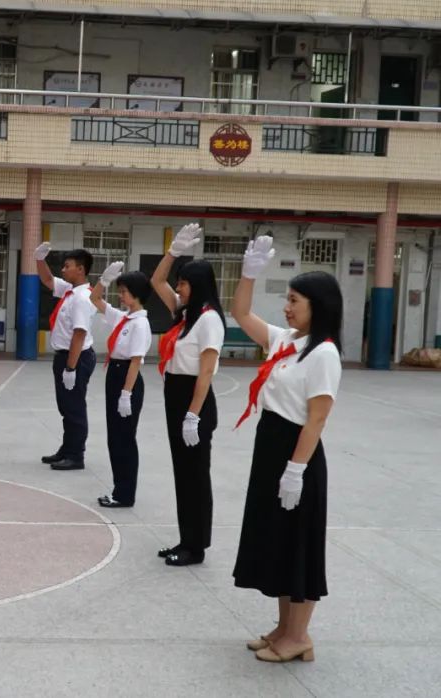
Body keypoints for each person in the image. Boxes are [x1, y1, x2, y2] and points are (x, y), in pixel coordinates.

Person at [229, 236, 343, 663]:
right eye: (288, 300)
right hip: (271, 447)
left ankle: (301, 637)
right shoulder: (285, 341)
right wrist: (248, 274)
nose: (287, 307)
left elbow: (316, 419)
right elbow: (240, 314)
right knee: (276, 539)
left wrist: (296, 470)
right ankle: (283, 628)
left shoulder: (324, 354)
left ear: (318, 305)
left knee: (299, 543)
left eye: (295, 300)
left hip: (298, 453)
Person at [150, 223, 226, 566]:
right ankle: (185, 539)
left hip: (194, 400)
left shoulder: (209, 320)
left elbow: (206, 372)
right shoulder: (185, 317)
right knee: (183, 473)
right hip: (175, 396)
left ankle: (196, 547)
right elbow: (156, 282)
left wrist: (193, 414)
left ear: (197, 286)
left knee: (195, 475)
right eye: (178, 282)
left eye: (183, 283)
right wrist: (173, 252)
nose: (177, 288)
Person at [89, 262, 153, 508]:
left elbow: (136, 361)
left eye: (124, 291)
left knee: (124, 438)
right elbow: (95, 299)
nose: (120, 295)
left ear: (136, 294)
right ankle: (119, 489)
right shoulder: (123, 317)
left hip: (128, 378)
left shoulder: (140, 324)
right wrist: (103, 281)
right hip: (114, 375)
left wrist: (126, 393)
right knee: (114, 438)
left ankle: (125, 493)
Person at [34, 242, 97, 470]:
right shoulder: (71, 291)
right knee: (66, 406)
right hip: (66, 356)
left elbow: (79, 334)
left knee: (74, 407)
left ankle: (76, 455)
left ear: (80, 269)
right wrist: (39, 260)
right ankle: (67, 448)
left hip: (75, 357)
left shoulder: (81, 298)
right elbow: (48, 281)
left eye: (67, 266)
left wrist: (70, 368)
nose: (63, 269)